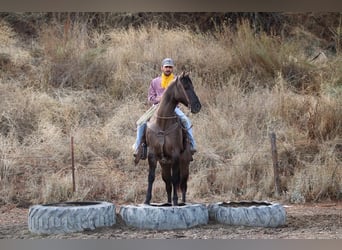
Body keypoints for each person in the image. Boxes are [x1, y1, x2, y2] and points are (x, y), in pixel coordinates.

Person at [132, 57, 197, 158]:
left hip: (173, 108)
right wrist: (160, 99)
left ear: (173, 68)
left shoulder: (177, 81)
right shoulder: (155, 81)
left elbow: (182, 95)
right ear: (162, 68)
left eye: (170, 67)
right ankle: (139, 147)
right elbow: (150, 98)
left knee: (185, 120)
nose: (168, 69)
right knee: (141, 123)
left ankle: (192, 145)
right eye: (166, 67)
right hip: (156, 107)